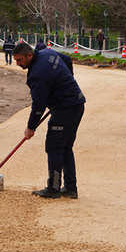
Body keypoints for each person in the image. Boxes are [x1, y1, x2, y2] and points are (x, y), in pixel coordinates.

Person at [13, 42, 85, 200]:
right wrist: (65, 83)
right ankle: (70, 188)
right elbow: (66, 59)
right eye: (15, 60)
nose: (17, 64)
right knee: (65, 148)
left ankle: (53, 188)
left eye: (20, 60)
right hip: (76, 105)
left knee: (54, 147)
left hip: (65, 108)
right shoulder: (47, 53)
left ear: (30, 55)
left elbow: (38, 106)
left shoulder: (38, 74)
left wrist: (30, 127)